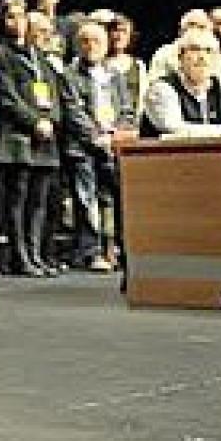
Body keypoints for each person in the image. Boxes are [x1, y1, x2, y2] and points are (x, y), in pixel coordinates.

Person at [0, 1, 64, 277]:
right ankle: (20, 255)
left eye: (21, 17)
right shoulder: (0, 55)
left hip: (46, 140)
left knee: (39, 202)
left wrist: (51, 120)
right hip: (18, 139)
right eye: (11, 17)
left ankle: (35, 254)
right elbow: (7, 98)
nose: (17, 22)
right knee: (17, 200)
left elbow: (54, 95)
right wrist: (35, 122)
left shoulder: (40, 57)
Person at [64, 20, 129, 271]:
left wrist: (115, 135)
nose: (91, 46)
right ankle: (91, 252)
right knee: (86, 199)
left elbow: (126, 109)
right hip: (82, 147)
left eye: (97, 41)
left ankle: (119, 249)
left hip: (113, 145)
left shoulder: (115, 75)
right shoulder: (69, 75)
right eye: (85, 41)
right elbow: (73, 111)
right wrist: (96, 136)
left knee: (117, 199)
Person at [141, 27, 221, 138]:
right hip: (165, 154)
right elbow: (174, 128)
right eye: (195, 49)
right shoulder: (161, 88)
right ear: (180, 56)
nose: (202, 57)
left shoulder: (219, 86)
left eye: (209, 51)